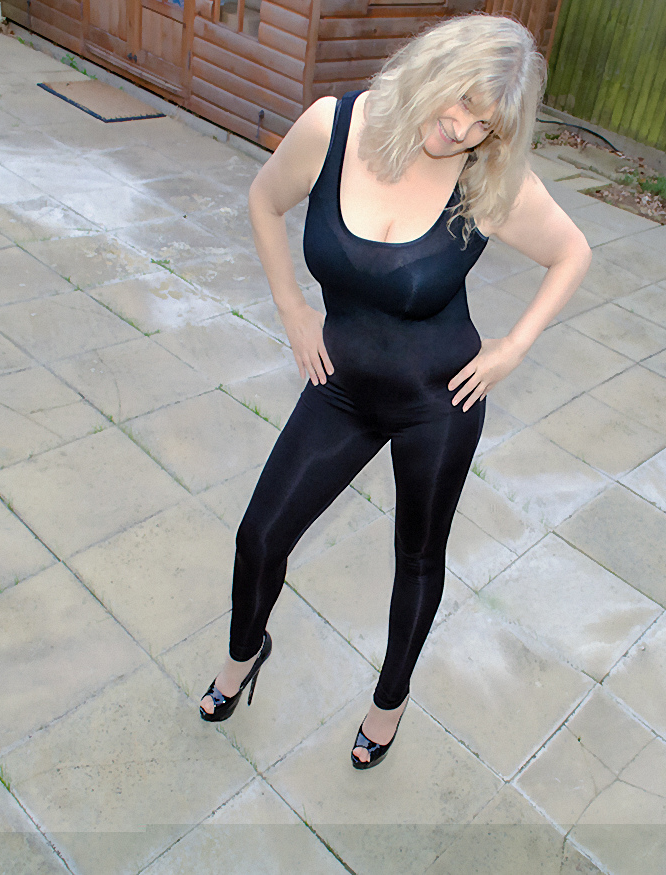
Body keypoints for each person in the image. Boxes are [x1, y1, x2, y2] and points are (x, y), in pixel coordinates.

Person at [199, 12, 591, 769]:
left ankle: (390, 699)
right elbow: (263, 199)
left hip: (437, 403)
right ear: (432, 69)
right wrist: (292, 308)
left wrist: (512, 347)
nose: (461, 130)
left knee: (416, 556)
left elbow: (571, 252)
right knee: (260, 536)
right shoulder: (334, 127)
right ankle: (244, 651)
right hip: (339, 386)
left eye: (483, 123)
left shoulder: (486, 177)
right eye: (459, 103)